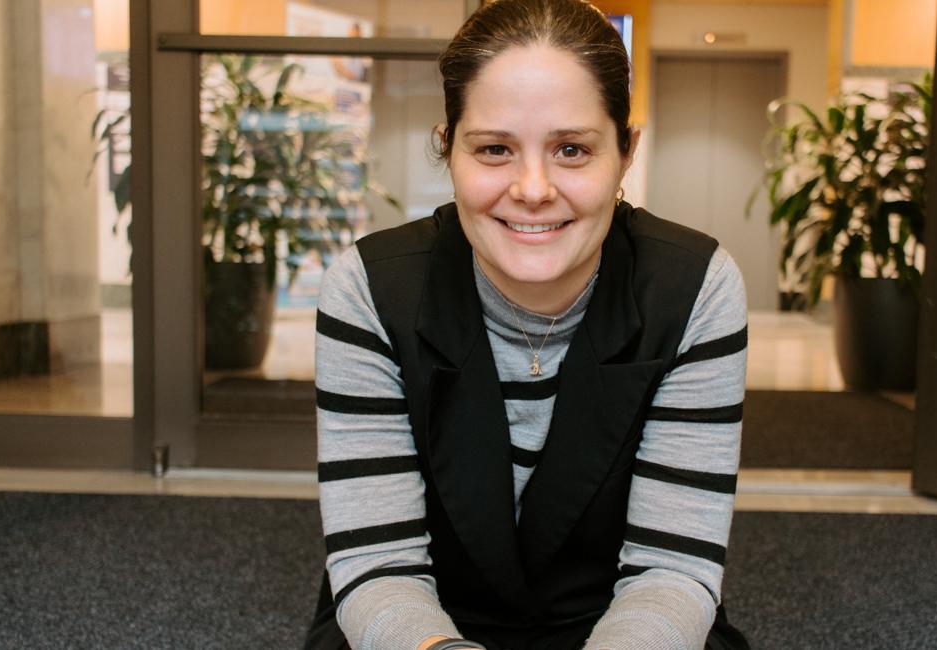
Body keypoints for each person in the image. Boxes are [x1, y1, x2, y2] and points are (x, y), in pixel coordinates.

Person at [304, 0, 749, 648]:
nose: (533, 187)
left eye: (572, 149)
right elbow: (379, 567)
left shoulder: (694, 288)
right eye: (493, 149)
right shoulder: (370, 288)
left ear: (626, 152)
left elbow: (671, 571)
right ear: (447, 149)